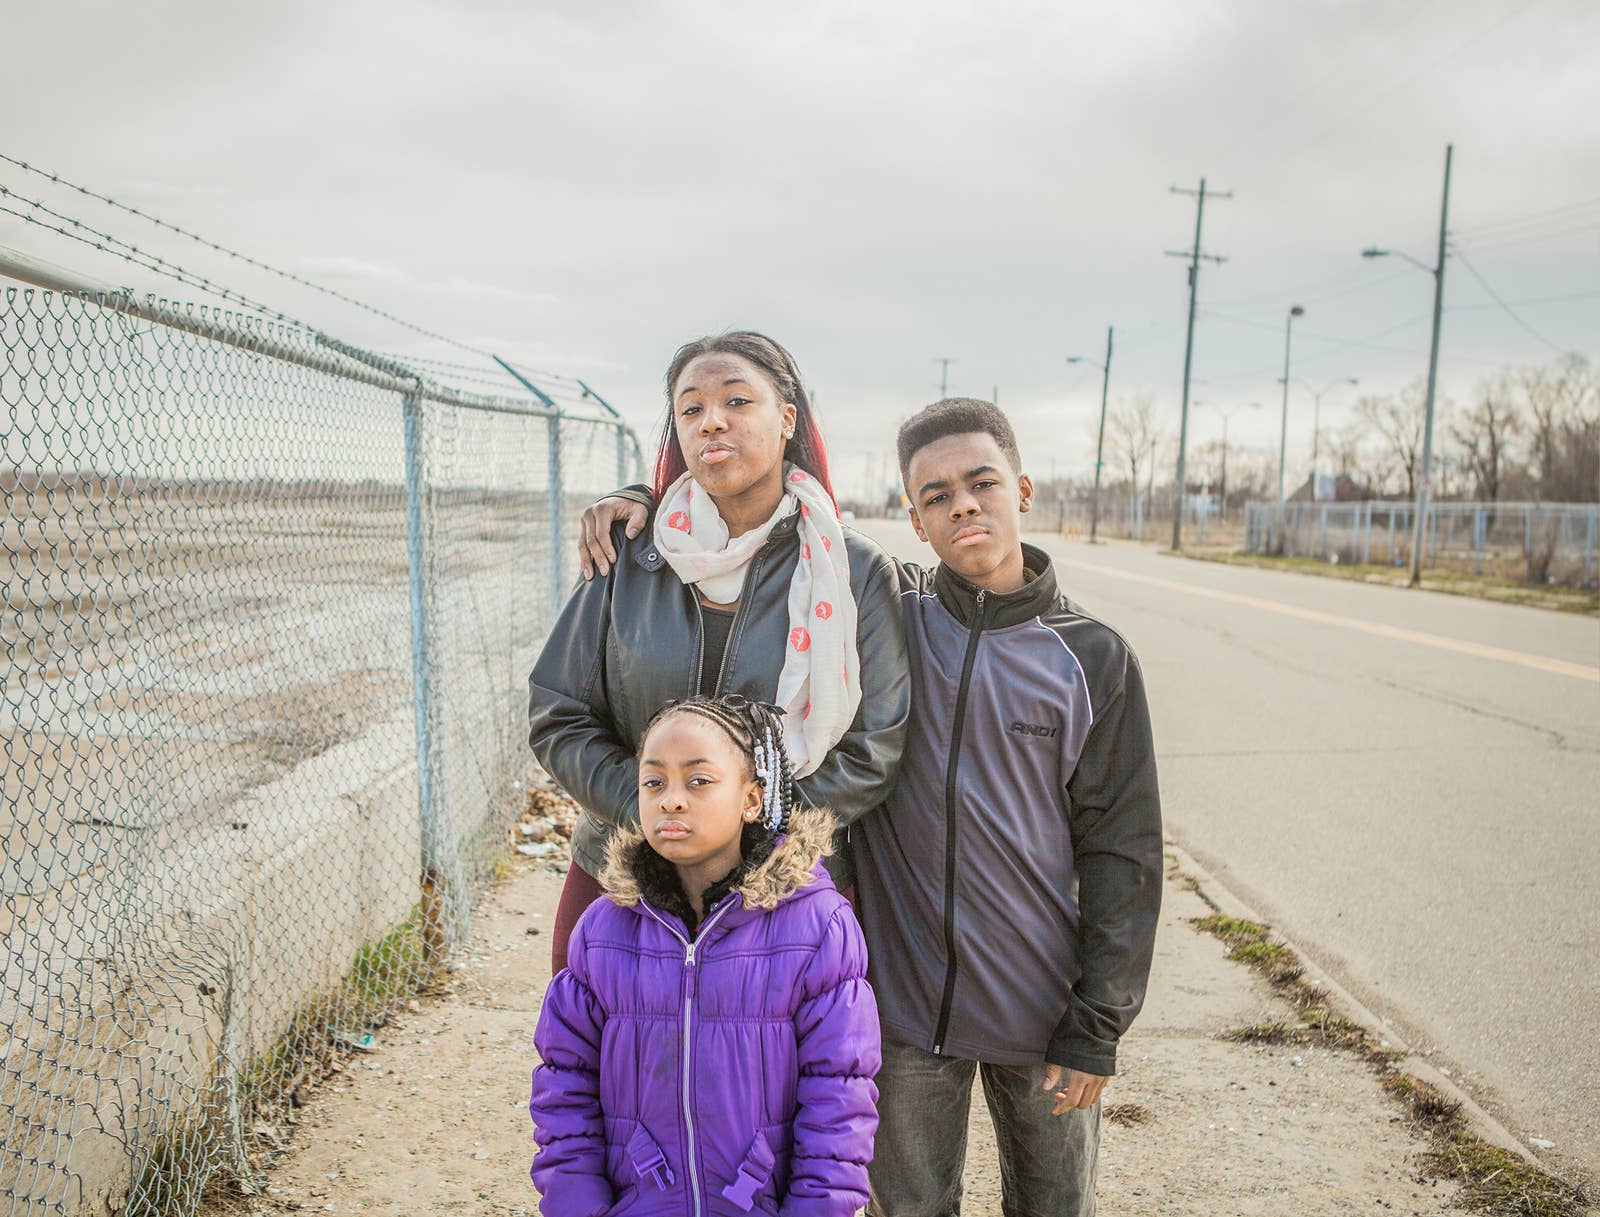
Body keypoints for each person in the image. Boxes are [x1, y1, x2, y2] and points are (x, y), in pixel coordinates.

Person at [578, 398, 1163, 1217]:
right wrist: (639, 500)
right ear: (915, 522)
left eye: (981, 482)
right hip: (905, 1007)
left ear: (1022, 489)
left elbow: (1123, 852)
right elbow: (756, 535)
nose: (962, 504)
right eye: (934, 495)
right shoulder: (887, 618)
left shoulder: (1093, 658)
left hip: (1046, 1007)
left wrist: (1097, 1019)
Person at [527, 331, 910, 973]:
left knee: (775, 1069)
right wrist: (657, 813)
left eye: (737, 401)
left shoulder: (853, 570)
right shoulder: (629, 553)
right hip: (622, 871)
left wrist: (750, 838)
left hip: (783, 887)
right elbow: (557, 711)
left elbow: (875, 747)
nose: (712, 421)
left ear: (787, 419)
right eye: (691, 408)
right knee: (604, 1061)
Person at [530, 695, 880, 1217]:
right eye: (654, 782)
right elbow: (564, 1089)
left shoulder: (817, 927)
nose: (672, 799)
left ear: (752, 800)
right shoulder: (603, 931)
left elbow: (840, 1101)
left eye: (698, 781)